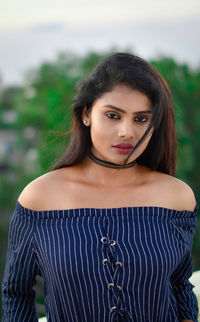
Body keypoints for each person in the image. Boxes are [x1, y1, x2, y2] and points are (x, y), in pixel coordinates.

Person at [1, 52, 199, 322]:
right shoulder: (39, 197)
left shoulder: (176, 197)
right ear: (86, 114)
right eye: (112, 115)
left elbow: (180, 287)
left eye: (141, 119)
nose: (127, 132)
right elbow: (16, 292)